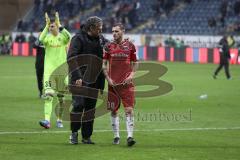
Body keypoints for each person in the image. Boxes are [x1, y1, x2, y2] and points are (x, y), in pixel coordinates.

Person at [67, 16, 108, 144]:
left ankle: (86, 137)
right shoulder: (78, 39)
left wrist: (120, 43)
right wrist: (77, 76)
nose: (101, 31)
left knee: (90, 109)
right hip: (80, 79)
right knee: (78, 106)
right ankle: (74, 133)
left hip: (95, 80)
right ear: (91, 28)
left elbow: (111, 47)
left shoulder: (100, 39)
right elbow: (71, 58)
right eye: (99, 29)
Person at [102, 23, 138, 146]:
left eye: (117, 31)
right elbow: (104, 64)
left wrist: (131, 75)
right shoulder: (108, 46)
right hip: (112, 85)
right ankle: (116, 135)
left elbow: (135, 63)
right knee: (113, 111)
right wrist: (107, 78)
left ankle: (129, 137)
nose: (114, 33)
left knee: (129, 110)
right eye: (113, 31)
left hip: (127, 85)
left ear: (123, 31)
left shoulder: (130, 46)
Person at [38, 12, 71, 129]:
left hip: (62, 71)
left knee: (61, 98)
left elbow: (69, 37)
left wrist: (61, 25)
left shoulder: (63, 38)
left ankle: (59, 119)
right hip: (49, 71)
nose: (51, 28)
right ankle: (47, 121)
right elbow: (40, 39)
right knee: (48, 96)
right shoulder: (47, 38)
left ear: (57, 26)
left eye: (53, 26)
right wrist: (46, 26)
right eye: (50, 26)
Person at [33, 29, 45, 98]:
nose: (40, 34)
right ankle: (40, 92)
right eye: (40, 33)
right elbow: (34, 46)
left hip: (47, 63)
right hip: (39, 64)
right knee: (39, 78)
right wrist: (39, 39)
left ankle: (47, 92)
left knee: (47, 78)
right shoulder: (38, 41)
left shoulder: (48, 41)